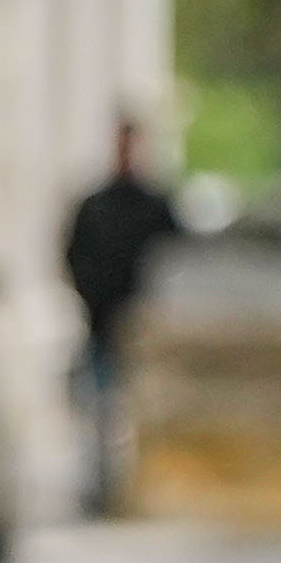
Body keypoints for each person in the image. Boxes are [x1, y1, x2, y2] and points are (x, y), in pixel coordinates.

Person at [59, 112, 182, 519]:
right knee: (99, 413)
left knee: (138, 411)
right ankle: (101, 489)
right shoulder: (95, 205)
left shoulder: (155, 206)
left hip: (144, 329)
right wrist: (90, 296)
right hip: (100, 323)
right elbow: (71, 256)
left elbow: (176, 262)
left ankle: (136, 488)